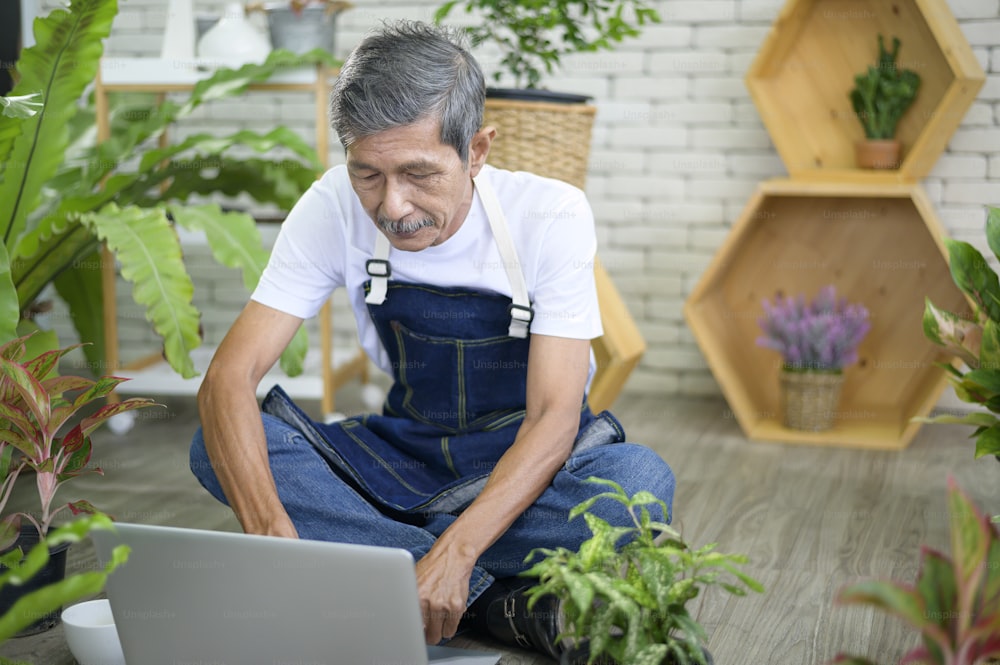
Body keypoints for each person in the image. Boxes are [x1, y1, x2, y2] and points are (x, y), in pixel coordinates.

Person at [189, 19, 676, 662]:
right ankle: (503, 605)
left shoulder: (550, 215)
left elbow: (556, 415)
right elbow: (227, 379)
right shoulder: (330, 205)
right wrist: (273, 536)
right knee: (215, 445)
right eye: (368, 175)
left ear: (476, 151)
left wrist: (461, 548)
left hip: (529, 461)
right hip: (407, 457)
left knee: (639, 485)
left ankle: (396, 566)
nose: (392, 206)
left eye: (419, 174)